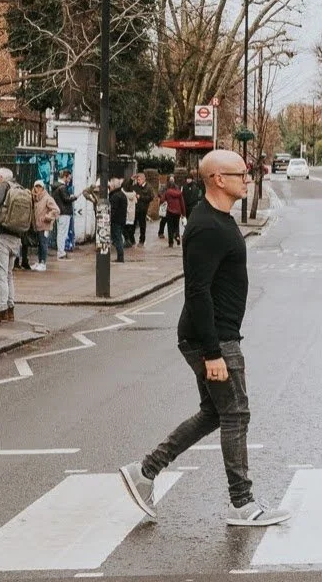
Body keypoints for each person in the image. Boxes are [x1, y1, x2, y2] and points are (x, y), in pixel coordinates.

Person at [119, 149, 289, 527]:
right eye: (241, 174)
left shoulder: (218, 220)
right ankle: (242, 504)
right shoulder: (207, 228)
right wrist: (213, 352)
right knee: (236, 414)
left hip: (214, 336)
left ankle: (145, 472)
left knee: (216, 413)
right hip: (213, 338)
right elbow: (197, 291)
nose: (248, 179)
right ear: (217, 179)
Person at [0, 168, 26, 323]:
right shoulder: (20, 188)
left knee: (0, 275)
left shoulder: (3, 186)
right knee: (9, 275)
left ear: (1, 177)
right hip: (16, 237)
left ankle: (1, 310)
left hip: (2, 236)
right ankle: (10, 310)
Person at [31, 180, 59, 271]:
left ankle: (43, 262)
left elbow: (56, 210)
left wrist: (48, 216)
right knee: (39, 244)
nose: (37, 188)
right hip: (38, 226)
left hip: (45, 226)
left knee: (43, 244)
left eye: (40, 187)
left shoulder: (47, 198)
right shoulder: (35, 198)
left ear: (43, 188)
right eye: (36, 186)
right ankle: (39, 262)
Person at [51, 170, 77, 261]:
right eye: (69, 178)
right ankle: (61, 253)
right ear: (65, 177)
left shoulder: (55, 186)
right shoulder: (62, 187)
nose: (69, 180)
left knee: (60, 233)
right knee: (62, 233)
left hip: (59, 212)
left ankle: (61, 252)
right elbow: (66, 199)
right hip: (64, 212)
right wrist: (74, 197)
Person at [129, 172, 155, 247]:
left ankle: (142, 241)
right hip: (134, 209)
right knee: (132, 225)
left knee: (142, 225)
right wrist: (131, 179)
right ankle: (132, 240)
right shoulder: (135, 186)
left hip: (143, 209)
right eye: (137, 180)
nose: (138, 181)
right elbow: (128, 187)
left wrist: (141, 197)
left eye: (139, 180)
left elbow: (151, 197)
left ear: (144, 179)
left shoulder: (148, 187)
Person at [161, 178, 186, 247]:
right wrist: (183, 213)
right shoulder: (179, 193)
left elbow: (162, 200)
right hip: (178, 212)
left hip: (170, 211)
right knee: (176, 225)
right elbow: (182, 203)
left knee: (170, 227)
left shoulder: (167, 192)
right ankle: (177, 236)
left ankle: (171, 242)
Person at [108, 178, 128, 263]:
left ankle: (120, 257)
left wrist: (109, 219)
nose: (109, 187)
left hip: (116, 220)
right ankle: (120, 256)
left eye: (111, 185)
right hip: (121, 219)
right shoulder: (122, 194)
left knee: (117, 238)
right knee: (118, 237)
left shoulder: (115, 196)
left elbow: (113, 210)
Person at [123, 180, 138, 247]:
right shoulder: (133, 194)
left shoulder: (124, 194)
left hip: (126, 213)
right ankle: (132, 241)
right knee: (130, 229)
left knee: (124, 228)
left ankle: (127, 241)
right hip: (132, 214)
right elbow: (136, 202)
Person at [158, 175, 174, 240]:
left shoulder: (175, 187)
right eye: (171, 180)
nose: (172, 181)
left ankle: (173, 233)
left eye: (173, 179)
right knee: (163, 220)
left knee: (172, 220)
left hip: (172, 205)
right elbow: (159, 193)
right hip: (165, 205)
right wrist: (164, 198)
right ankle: (160, 232)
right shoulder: (164, 187)